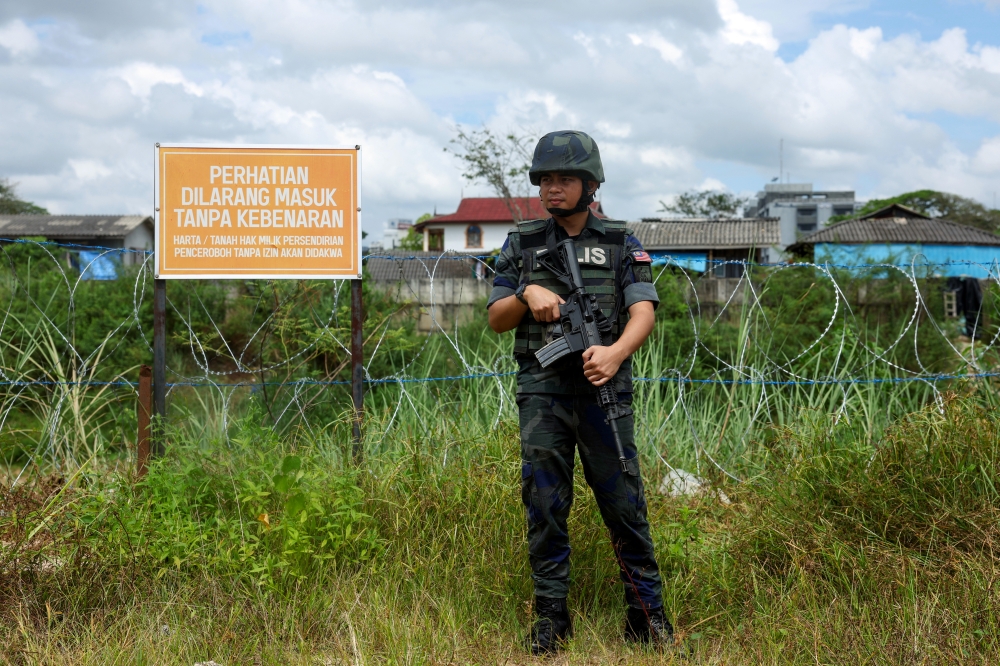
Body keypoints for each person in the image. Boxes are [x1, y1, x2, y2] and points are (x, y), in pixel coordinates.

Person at [487, 130, 671, 655]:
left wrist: (614, 354)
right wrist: (527, 291)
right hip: (543, 392)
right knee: (545, 504)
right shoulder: (521, 243)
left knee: (624, 502)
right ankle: (551, 617)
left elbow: (643, 311)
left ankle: (647, 615)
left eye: (564, 178)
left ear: (590, 184)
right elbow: (498, 320)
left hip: (602, 390)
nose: (553, 187)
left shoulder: (619, 241)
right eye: (545, 179)